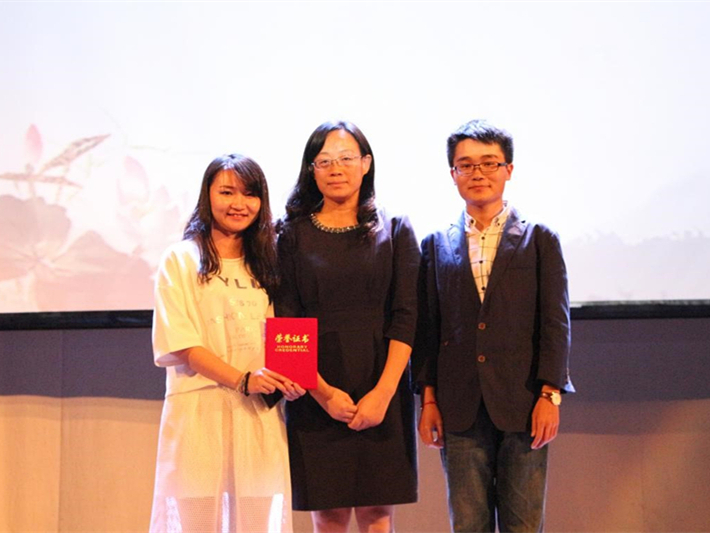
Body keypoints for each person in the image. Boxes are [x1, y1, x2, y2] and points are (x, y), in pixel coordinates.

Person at [413, 119, 575, 533]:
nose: (478, 173)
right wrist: (428, 401)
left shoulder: (540, 239)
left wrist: (550, 394)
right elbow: (428, 330)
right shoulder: (435, 244)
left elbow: (555, 323)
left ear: (508, 169)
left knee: (524, 524)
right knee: (468, 525)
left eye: (489, 163)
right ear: (453, 174)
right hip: (459, 406)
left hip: (524, 402)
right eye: (466, 165)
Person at [275, 120, 420, 533]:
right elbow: (285, 323)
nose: (335, 169)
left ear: (366, 163)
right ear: (311, 169)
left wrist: (383, 394)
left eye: (345, 159)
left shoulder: (395, 228)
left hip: (383, 384)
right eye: (324, 161)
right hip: (315, 390)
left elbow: (407, 315)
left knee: (377, 516)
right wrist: (323, 394)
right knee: (329, 517)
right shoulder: (289, 235)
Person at [149, 154, 306, 533]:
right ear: (207, 196)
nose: (239, 203)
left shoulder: (269, 263)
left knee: (257, 523)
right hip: (198, 414)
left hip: (258, 415)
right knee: (197, 523)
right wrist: (243, 379)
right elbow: (182, 343)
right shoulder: (180, 259)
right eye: (226, 192)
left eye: (250, 194)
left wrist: (292, 376)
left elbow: (288, 333)